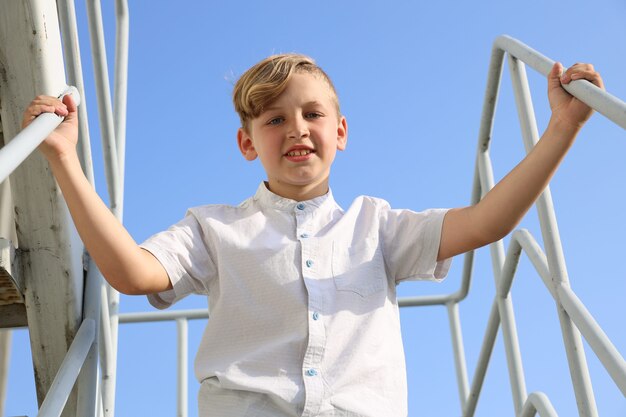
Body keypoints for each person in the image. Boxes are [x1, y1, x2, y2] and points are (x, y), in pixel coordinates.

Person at [22, 54, 603, 417]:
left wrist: (560, 128)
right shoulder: (214, 227)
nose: (296, 129)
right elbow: (130, 272)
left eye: (312, 114)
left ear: (341, 131)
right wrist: (64, 160)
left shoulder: (378, 226)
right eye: (274, 120)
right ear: (249, 144)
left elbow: (488, 222)